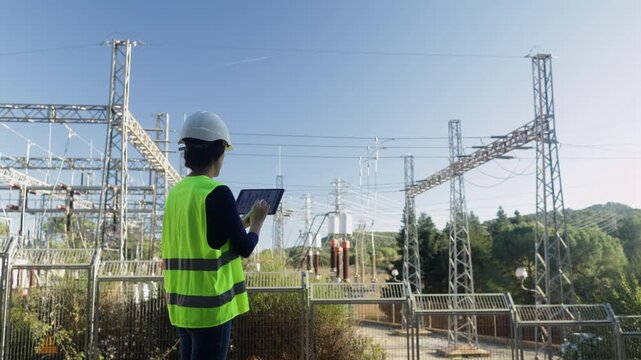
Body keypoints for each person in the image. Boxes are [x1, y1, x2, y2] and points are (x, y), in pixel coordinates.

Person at [162, 110, 269, 360]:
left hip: (182, 307)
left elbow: (203, 236)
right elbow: (244, 247)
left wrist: (242, 220)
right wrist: (257, 224)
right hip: (211, 309)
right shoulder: (218, 192)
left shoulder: (176, 193)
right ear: (219, 151)